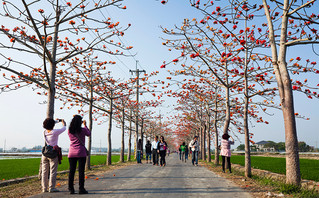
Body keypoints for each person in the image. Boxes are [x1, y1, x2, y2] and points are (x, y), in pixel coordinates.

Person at [41, 118, 66, 193]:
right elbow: (64, 127)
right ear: (53, 125)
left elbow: (50, 124)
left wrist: (55, 121)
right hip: (53, 153)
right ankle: (51, 187)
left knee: (44, 171)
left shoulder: (44, 132)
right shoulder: (55, 132)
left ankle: (44, 188)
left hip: (45, 153)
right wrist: (62, 121)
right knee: (53, 171)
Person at [68, 115, 91, 194]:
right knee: (81, 172)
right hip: (81, 152)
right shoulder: (83, 130)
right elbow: (89, 134)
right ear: (80, 122)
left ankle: (71, 189)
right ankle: (81, 189)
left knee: (72, 171)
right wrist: (85, 125)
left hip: (71, 153)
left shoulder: (69, 130)